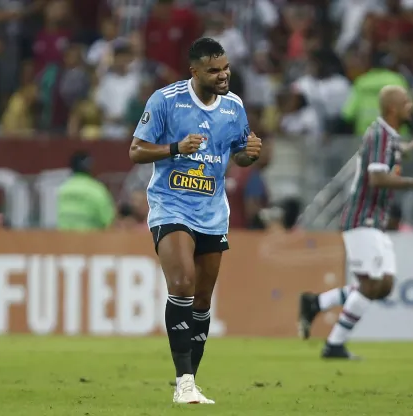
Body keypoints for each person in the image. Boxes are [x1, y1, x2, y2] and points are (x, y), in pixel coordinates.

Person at [128, 37, 262, 404]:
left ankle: (189, 383)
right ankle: (184, 381)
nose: (223, 75)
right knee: (183, 282)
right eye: (214, 70)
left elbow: (238, 154)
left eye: (226, 68)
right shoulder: (166, 100)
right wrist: (174, 148)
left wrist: (249, 154)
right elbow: (136, 150)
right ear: (195, 71)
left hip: (213, 213)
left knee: (202, 299)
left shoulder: (234, 107)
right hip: (171, 206)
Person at [297, 85, 413, 359]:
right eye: (406, 101)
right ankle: (334, 344)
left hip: (375, 219)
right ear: (392, 108)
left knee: (384, 284)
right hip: (362, 217)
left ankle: (316, 303)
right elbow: (376, 177)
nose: (411, 105)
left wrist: (406, 150)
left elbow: (386, 158)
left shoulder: (388, 137)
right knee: (370, 284)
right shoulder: (380, 135)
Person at [56, 151, 116, 231]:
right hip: (90, 241)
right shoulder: (97, 190)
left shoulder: (63, 189)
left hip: (63, 240)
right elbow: (109, 221)